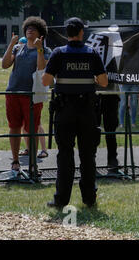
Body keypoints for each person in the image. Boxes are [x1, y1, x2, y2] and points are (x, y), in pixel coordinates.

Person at [42, 17, 108, 208]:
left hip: (64, 111)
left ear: (66, 33)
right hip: (87, 111)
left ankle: (61, 200)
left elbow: (46, 81)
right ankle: (89, 199)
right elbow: (103, 82)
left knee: (65, 155)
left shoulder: (58, 53)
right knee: (88, 156)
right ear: (81, 33)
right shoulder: (91, 53)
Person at [2, 16, 52, 174]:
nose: (29, 29)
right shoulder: (18, 48)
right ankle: (15, 162)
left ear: (40, 33)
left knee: (31, 129)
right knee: (14, 127)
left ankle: (32, 164)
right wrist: (11, 44)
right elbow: (4, 64)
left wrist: (39, 49)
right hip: (13, 92)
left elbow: (41, 68)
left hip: (32, 95)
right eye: (28, 28)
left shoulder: (45, 50)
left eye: (33, 28)